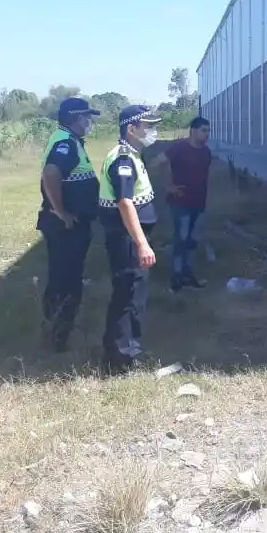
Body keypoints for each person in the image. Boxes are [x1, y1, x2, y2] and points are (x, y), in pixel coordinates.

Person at [98, 105, 161, 372]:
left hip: (130, 236)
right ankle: (123, 359)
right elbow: (125, 203)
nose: (151, 130)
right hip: (127, 238)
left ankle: (117, 351)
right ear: (131, 129)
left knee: (129, 294)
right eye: (147, 126)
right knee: (129, 297)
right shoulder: (123, 158)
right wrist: (142, 243)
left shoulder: (132, 155)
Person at [37, 97, 101, 352]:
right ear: (76, 118)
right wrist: (61, 211)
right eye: (87, 117)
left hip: (73, 224)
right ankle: (58, 336)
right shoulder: (65, 143)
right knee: (66, 281)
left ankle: (57, 329)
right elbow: (51, 173)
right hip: (66, 226)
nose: (89, 122)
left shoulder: (70, 140)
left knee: (64, 277)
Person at [150, 116, 212, 294]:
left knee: (193, 241)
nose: (206, 134)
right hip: (181, 203)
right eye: (203, 131)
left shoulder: (206, 152)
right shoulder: (179, 148)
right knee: (181, 240)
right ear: (193, 131)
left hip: (199, 204)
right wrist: (168, 185)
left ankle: (188, 274)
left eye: (208, 131)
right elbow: (157, 163)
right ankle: (176, 278)